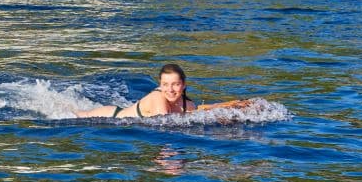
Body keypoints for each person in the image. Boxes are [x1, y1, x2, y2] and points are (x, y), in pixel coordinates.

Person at [76, 63, 250, 119]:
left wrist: (231, 105)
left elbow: (198, 111)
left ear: (183, 85)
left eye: (175, 84)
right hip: (109, 116)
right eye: (165, 84)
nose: (170, 89)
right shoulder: (158, 98)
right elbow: (165, 122)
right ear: (160, 85)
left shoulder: (187, 104)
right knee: (73, 114)